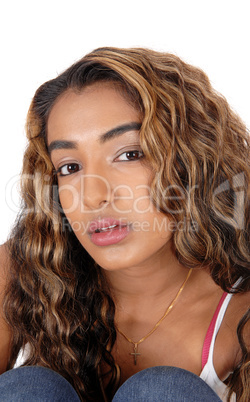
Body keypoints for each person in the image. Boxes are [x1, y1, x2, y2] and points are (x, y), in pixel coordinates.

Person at [0, 47, 249, 401]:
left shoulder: (241, 307)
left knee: (163, 393)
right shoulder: (23, 270)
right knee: (28, 390)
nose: (93, 196)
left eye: (130, 154)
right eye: (69, 167)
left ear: (192, 162)